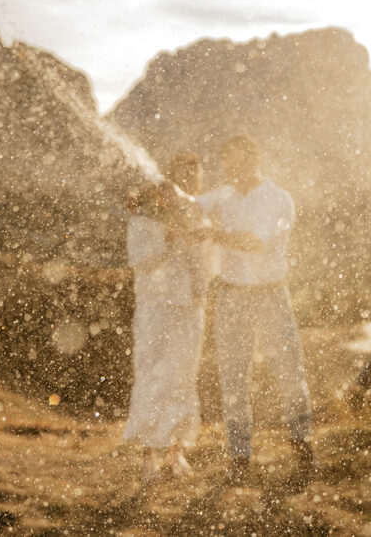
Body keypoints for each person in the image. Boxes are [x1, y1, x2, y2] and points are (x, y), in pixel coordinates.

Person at [197, 134, 315, 484]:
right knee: (233, 378)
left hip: (270, 296)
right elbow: (190, 206)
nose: (229, 169)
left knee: (289, 372)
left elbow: (254, 243)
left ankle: (302, 445)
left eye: (233, 161)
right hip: (231, 296)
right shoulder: (222, 195)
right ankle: (239, 458)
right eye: (225, 163)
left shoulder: (280, 200)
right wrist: (157, 195)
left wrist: (212, 233)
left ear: (251, 158)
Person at [122, 153, 211, 483]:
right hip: (155, 306)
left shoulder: (196, 214)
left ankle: (176, 452)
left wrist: (202, 240)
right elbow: (139, 261)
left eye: (194, 177)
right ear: (167, 181)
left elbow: (206, 259)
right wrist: (167, 239)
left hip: (190, 307)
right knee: (151, 375)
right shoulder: (143, 217)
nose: (189, 184)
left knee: (184, 377)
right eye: (183, 177)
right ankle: (149, 459)